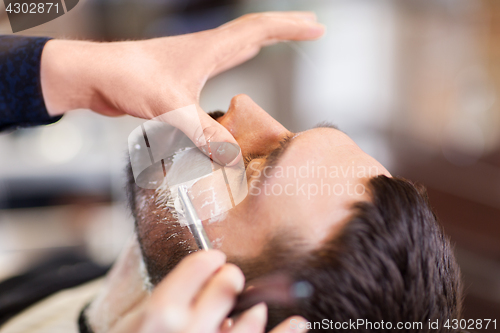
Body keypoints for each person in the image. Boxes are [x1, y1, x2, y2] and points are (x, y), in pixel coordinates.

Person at [0, 11, 464, 333]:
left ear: (232, 307)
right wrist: (57, 74)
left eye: (260, 167)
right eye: (289, 133)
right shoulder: (81, 280)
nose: (244, 108)